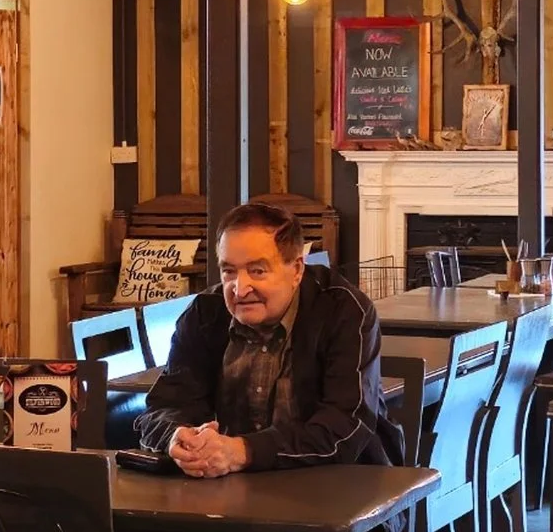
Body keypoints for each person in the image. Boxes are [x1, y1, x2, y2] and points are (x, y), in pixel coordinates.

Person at [138, 199, 388, 473]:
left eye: (257, 271)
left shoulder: (344, 310)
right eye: (229, 271)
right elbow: (162, 409)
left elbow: (345, 427)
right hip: (228, 492)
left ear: (296, 270)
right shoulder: (204, 314)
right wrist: (177, 436)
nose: (240, 288)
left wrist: (244, 451)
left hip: (341, 491)